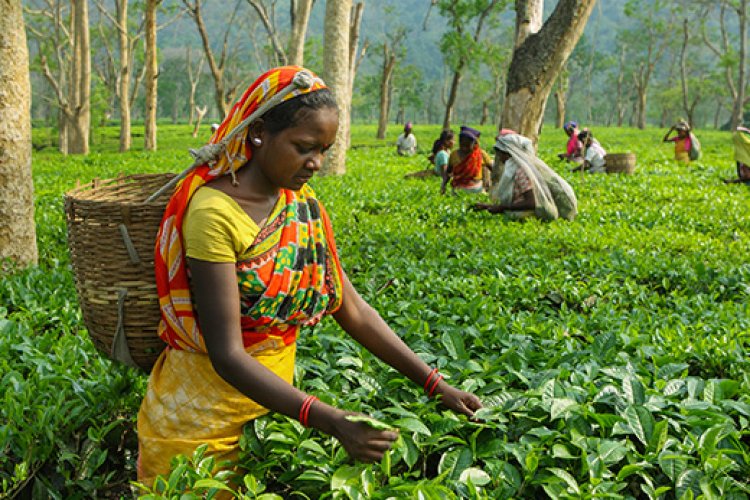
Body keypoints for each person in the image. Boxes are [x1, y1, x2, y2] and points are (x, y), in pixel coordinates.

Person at [137, 66, 482, 486]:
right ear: (260, 132)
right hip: (197, 425)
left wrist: (436, 384)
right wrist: (330, 420)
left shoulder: (302, 205)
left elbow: (350, 307)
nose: (315, 163)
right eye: (304, 147)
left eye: (324, 150)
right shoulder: (214, 213)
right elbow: (227, 354)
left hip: (268, 419)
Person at [474, 133, 578, 221]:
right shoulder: (516, 168)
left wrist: (501, 208)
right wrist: (488, 206)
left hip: (528, 214)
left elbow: (531, 203)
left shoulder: (521, 171)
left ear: (509, 153)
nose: (499, 157)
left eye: (501, 153)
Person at [441, 126, 492, 195]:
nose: (464, 148)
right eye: (462, 145)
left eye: (467, 145)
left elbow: (493, 169)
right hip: (458, 190)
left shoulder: (481, 154)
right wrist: (443, 185)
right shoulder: (454, 154)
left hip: (477, 190)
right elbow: (448, 172)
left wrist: (491, 184)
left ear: (474, 144)